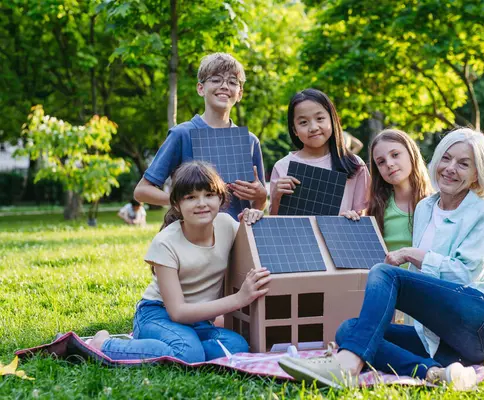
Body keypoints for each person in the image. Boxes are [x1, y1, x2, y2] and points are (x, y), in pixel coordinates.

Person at [278, 128, 484, 391]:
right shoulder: (426, 207)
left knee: (384, 273)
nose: (450, 168)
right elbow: (426, 287)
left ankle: (346, 366)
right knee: (351, 331)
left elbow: (464, 276)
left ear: (476, 174)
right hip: (442, 340)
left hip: (479, 324)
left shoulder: (483, 213)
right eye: (446, 158)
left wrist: (411, 254)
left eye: (463, 163)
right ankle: (434, 373)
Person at [88, 161, 271, 363]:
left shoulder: (227, 225)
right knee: (187, 353)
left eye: (209, 195)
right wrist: (238, 299)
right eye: (191, 197)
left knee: (238, 346)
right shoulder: (166, 242)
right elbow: (177, 312)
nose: (201, 203)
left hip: (199, 321)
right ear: (177, 204)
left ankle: (170, 347)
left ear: (220, 199)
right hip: (158, 314)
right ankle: (105, 345)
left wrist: (255, 214)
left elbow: (256, 246)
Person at [133, 53, 268, 220]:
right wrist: (183, 201)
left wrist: (261, 198)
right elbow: (142, 191)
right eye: (216, 80)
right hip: (191, 237)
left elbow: (257, 204)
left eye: (233, 82)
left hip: (236, 237)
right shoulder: (182, 134)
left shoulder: (250, 141)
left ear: (239, 93)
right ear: (200, 88)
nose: (225, 86)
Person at [269, 89, 370, 215]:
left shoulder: (354, 164)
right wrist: (276, 197)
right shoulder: (282, 167)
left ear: (332, 120)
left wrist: (354, 217)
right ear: (294, 129)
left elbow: (366, 215)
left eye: (320, 118)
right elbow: (275, 224)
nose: (313, 128)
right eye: (303, 122)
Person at [343, 129, 432, 252]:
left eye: (395, 155)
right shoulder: (376, 209)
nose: (389, 164)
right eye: (381, 162)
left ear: (412, 154)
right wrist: (352, 226)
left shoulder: (438, 205)